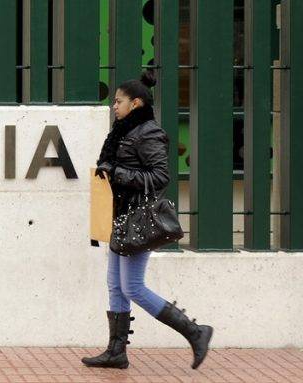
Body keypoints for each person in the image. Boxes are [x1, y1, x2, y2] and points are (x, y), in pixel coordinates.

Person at [81, 72, 213, 370]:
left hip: (137, 219)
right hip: (120, 216)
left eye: (119, 101)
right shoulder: (123, 131)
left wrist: (116, 173)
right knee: (115, 285)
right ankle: (116, 352)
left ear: (136, 103)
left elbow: (160, 177)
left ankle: (195, 331)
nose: (114, 106)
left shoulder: (149, 133)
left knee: (133, 287)